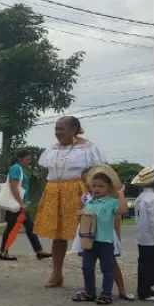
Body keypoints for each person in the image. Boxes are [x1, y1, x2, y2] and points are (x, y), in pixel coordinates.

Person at [34, 116, 106, 288]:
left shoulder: (87, 148)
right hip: (54, 192)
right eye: (56, 129)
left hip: (76, 192)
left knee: (87, 234)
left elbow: (102, 170)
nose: (58, 133)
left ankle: (97, 277)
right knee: (58, 236)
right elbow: (47, 170)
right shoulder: (53, 148)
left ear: (74, 129)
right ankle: (56, 274)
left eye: (62, 129)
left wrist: (96, 191)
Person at [70, 175, 134, 301]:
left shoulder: (112, 202)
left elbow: (124, 210)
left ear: (109, 188)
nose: (96, 188)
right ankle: (89, 292)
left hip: (105, 242)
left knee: (107, 269)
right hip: (89, 241)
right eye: (94, 186)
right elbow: (83, 221)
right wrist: (80, 216)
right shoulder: (89, 202)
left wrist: (120, 194)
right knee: (87, 267)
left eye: (101, 186)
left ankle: (106, 294)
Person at [0, 149, 51, 261]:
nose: (29, 162)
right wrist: (21, 203)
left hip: (19, 204)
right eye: (27, 159)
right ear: (20, 159)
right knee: (14, 228)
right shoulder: (16, 169)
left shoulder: (19, 169)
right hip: (16, 205)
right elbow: (13, 186)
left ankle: (37, 250)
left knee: (27, 227)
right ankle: (4, 252)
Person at [132, 166, 154, 301]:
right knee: (149, 265)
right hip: (152, 238)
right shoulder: (152, 198)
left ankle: (146, 288)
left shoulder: (141, 197)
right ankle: (146, 292)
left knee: (144, 264)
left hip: (143, 237)